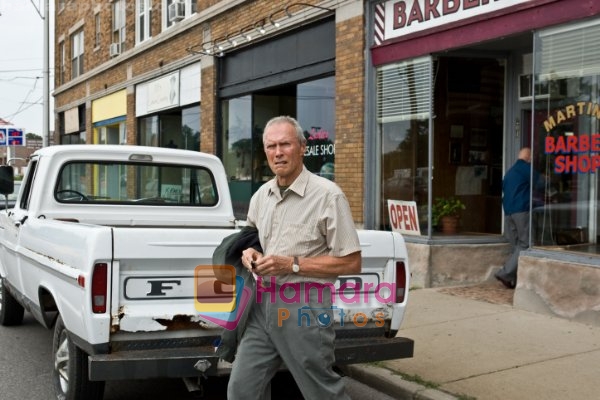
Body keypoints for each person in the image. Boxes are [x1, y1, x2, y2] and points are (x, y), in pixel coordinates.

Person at [227, 116, 362, 400]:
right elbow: (252, 239)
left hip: (305, 307)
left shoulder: (328, 196)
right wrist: (250, 253)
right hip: (261, 305)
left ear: (302, 147)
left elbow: (351, 262)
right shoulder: (261, 196)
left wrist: (291, 264)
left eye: (285, 144)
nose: (278, 152)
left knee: (320, 390)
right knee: (242, 390)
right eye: (271, 146)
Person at [495, 147, 536, 289]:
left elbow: (504, 189)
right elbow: (541, 183)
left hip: (508, 211)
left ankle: (512, 279)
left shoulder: (509, 172)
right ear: (529, 157)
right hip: (521, 210)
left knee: (516, 245)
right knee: (525, 244)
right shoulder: (526, 169)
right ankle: (505, 273)